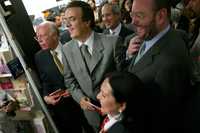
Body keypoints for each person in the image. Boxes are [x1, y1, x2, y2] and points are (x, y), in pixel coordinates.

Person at [125, 0, 191, 132]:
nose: (133, 21)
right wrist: (128, 55)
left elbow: (163, 117)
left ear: (161, 16)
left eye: (140, 15)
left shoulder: (171, 61)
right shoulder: (148, 34)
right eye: (132, 15)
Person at [62, 1, 124, 132]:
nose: (67, 25)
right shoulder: (66, 49)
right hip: (92, 116)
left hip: (117, 113)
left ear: (87, 21)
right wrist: (80, 98)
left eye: (72, 19)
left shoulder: (112, 43)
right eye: (66, 20)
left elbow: (123, 78)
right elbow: (69, 81)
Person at [34, 21, 82, 133]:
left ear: (55, 35)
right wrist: (46, 97)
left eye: (43, 36)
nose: (40, 40)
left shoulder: (73, 46)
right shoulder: (39, 57)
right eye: (37, 37)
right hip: (65, 108)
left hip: (84, 98)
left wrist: (74, 89)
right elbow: (45, 81)